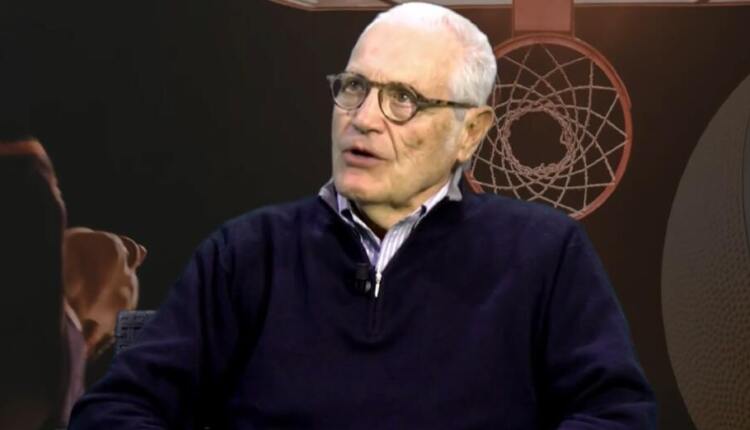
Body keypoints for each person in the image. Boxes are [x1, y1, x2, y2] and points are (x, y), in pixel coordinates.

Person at [69, 3, 657, 429]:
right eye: (353, 87)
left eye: (403, 99)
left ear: (470, 132)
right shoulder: (246, 253)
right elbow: (117, 409)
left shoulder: (545, 254)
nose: (364, 118)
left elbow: (617, 415)